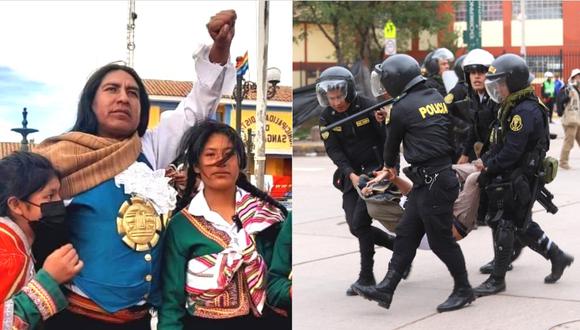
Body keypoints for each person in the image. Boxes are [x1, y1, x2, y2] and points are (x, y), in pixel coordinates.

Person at [36, 10, 236, 329]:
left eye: (132, 93)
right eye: (111, 89)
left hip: (141, 320)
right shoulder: (58, 158)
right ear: (91, 102)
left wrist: (219, 52)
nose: (123, 98)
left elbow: (197, 108)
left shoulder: (149, 150)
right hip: (78, 317)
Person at [355, 54, 475, 313]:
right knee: (407, 235)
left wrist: (388, 168)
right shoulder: (433, 96)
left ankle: (464, 289)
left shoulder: (402, 108)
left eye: (387, 82)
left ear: (397, 80)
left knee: (441, 240)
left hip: (433, 182)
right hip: (434, 178)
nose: (385, 88)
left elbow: (390, 148)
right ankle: (386, 288)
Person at [158, 121, 288, 329]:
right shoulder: (180, 226)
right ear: (196, 166)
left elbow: (281, 277)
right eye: (210, 155)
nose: (220, 162)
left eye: (228, 155)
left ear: (240, 161)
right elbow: (171, 303)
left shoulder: (269, 217)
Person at [473, 54, 574, 296]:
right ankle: (557, 256)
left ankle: (497, 279)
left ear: (514, 82)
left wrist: (490, 165)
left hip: (519, 176)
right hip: (511, 174)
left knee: (507, 223)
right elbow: (499, 143)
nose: (496, 88)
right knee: (519, 224)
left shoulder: (524, 112)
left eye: (500, 83)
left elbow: (512, 151)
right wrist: (485, 160)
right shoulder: (512, 106)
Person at [317, 66, 397, 296]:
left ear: (349, 91)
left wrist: (383, 123)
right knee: (355, 225)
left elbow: (387, 140)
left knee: (361, 221)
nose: (336, 102)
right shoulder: (326, 118)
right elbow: (334, 151)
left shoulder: (368, 106)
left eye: (339, 96)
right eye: (330, 98)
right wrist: (350, 175)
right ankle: (396, 246)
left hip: (375, 172)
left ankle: (366, 276)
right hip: (351, 175)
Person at [0, 152, 83, 329]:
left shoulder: (17, 243)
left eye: (59, 194)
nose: (59, 202)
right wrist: (48, 280)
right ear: (16, 205)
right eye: (50, 196)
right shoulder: (8, 254)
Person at [556, 68, 580, 170]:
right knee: (569, 142)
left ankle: (563, 161)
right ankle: (563, 162)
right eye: (578, 76)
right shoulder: (568, 88)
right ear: (573, 78)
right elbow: (560, 100)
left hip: (577, 119)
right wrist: (561, 113)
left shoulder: (577, 89)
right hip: (571, 120)